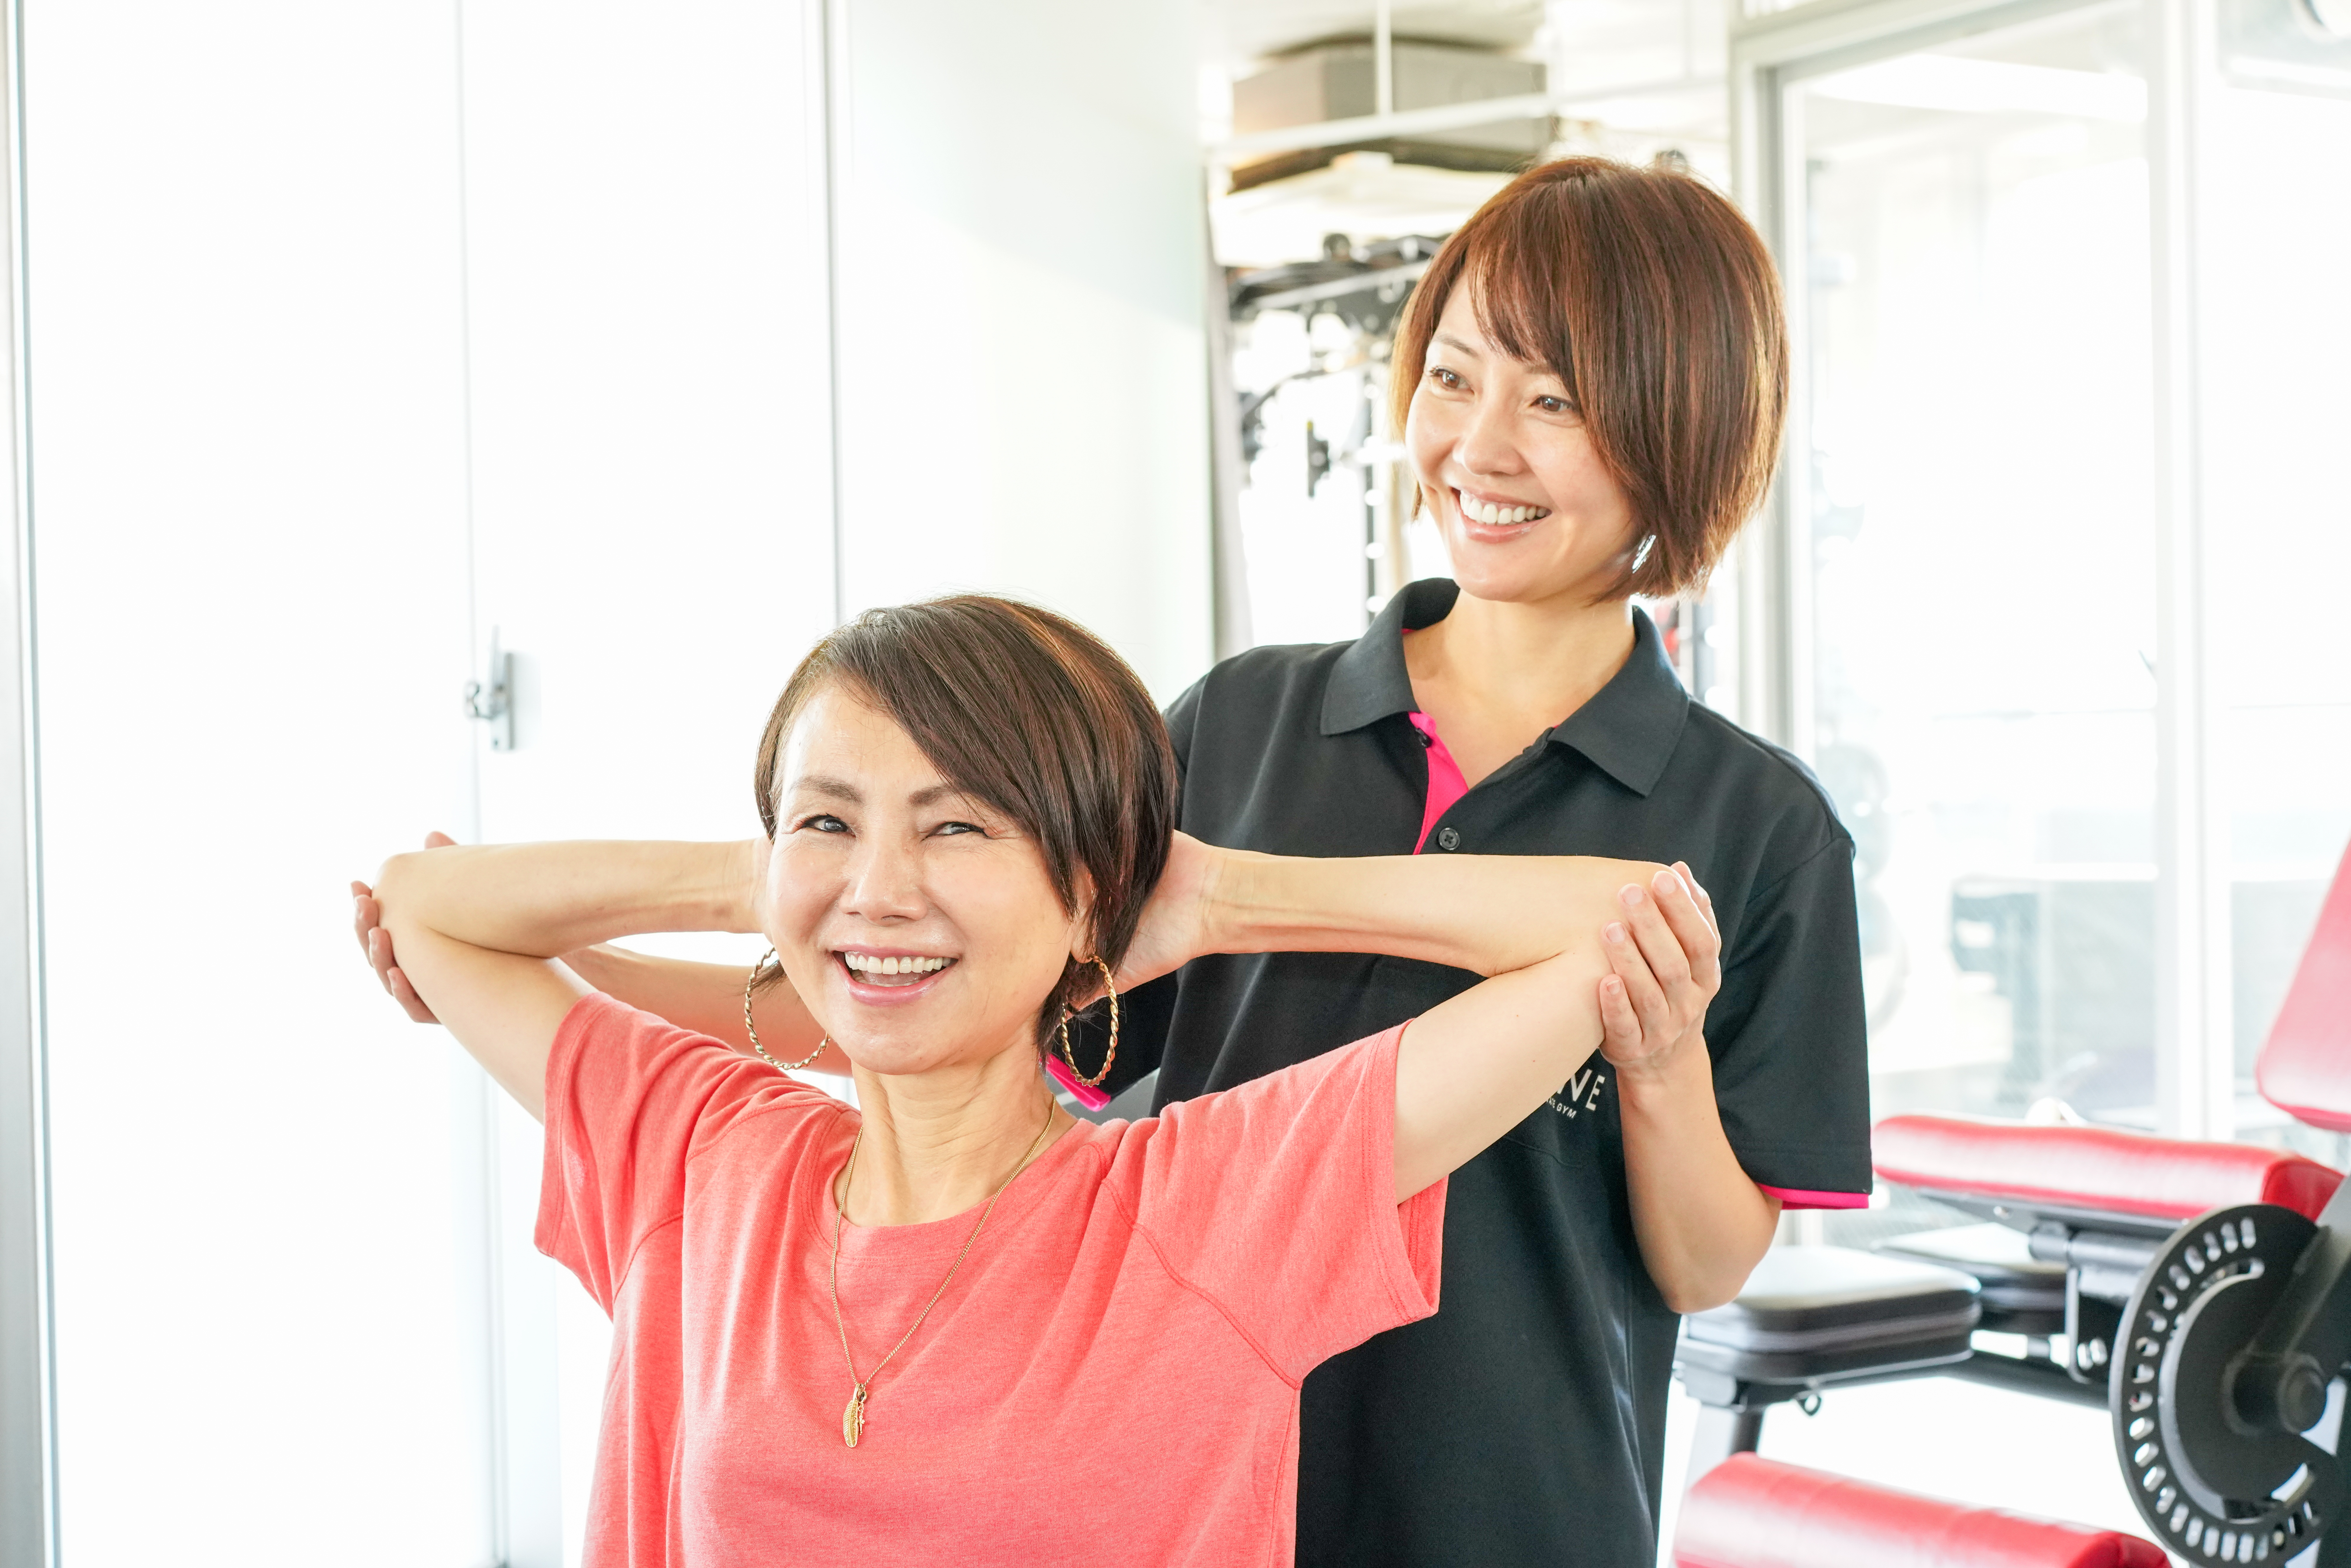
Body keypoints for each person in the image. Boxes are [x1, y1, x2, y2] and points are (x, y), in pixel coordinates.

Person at [361, 595, 1722, 1565]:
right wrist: (773, 881)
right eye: (829, 819)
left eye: (958, 827)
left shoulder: (1212, 1206)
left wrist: (1215, 898)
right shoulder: (706, 1156)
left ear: (1086, 895)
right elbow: (428, 905)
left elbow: (1626, 922)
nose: (881, 889)